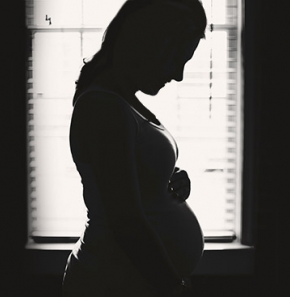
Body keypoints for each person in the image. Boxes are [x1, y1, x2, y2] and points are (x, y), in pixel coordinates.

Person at [62, 0, 207, 296]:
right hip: (111, 282)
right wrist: (174, 287)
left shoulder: (121, 100)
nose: (179, 75)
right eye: (178, 58)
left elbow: (130, 185)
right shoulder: (103, 107)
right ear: (150, 43)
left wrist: (168, 181)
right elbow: (125, 222)